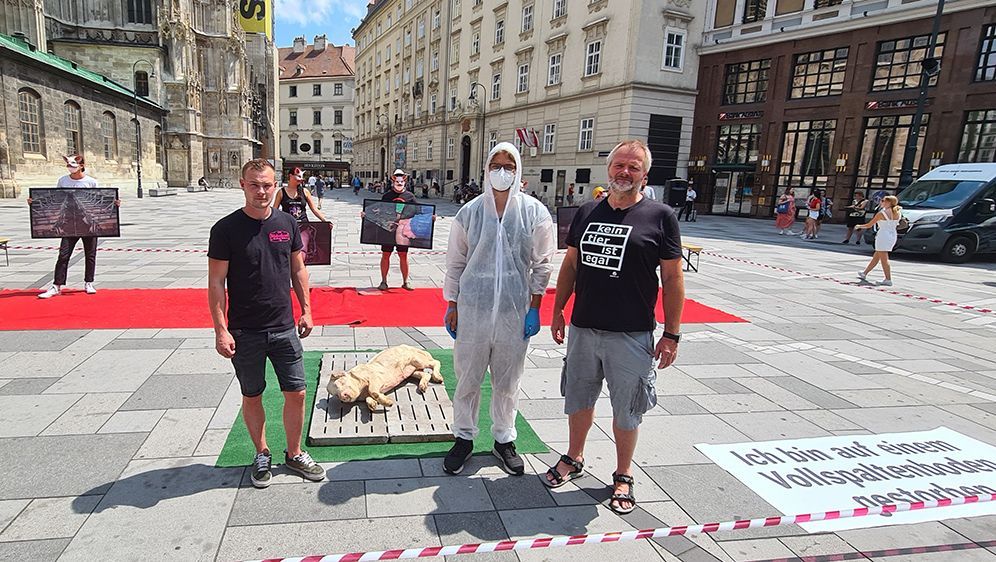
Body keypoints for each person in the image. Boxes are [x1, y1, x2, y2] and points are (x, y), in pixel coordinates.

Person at [546, 140, 685, 515]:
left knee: (627, 408)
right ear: (609, 169)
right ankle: (574, 457)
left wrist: (672, 333)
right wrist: (558, 309)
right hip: (584, 329)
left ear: (644, 174)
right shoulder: (588, 210)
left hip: (631, 333)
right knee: (579, 398)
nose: (625, 172)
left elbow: (672, 279)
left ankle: (623, 474)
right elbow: (571, 265)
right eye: (619, 165)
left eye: (634, 167)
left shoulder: (660, 216)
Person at [207, 159, 326, 488]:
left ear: (276, 186)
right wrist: (220, 329)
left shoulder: (287, 223)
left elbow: (298, 269)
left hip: (285, 326)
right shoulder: (225, 229)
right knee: (253, 395)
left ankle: (294, 452)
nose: (261, 191)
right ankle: (261, 452)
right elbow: (216, 283)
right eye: (254, 184)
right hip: (245, 329)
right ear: (242, 185)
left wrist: (307, 309)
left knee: (297, 392)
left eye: (267, 185)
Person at [442, 142, 555, 475]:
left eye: (508, 165)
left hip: (513, 311)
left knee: (508, 380)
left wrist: (535, 306)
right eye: (496, 164)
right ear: (486, 168)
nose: (502, 172)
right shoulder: (470, 212)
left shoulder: (535, 213)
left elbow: (543, 263)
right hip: (473, 309)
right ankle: (463, 438)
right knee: (468, 378)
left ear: (518, 170)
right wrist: (452, 303)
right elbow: (455, 262)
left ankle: (504, 439)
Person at [34, 154, 120, 299]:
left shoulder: (91, 182)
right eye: (68, 166)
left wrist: (114, 204)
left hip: (87, 221)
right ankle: (56, 285)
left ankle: (88, 282)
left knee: (90, 254)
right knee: (63, 254)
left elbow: (99, 198)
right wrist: (34, 201)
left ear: (81, 166)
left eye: (73, 166)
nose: (70, 168)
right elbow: (56, 196)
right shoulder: (63, 180)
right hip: (68, 222)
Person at [375, 169, 418, 290]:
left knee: (403, 255)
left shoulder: (410, 196)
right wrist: (366, 214)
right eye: (397, 179)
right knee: (386, 254)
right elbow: (380, 211)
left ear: (404, 181)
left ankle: (405, 282)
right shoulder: (387, 196)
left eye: (401, 180)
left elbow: (417, 211)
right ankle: (383, 281)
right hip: (388, 230)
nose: (399, 183)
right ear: (393, 180)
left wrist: (430, 217)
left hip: (403, 231)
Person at [856, 195, 901, 286]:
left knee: (884, 259)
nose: (881, 202)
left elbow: (869, 225)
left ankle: (888, 279)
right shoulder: (897, 212)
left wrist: (859, 226)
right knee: (877, 255)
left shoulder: (882, 213)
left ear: (889, 203)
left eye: (883, 201)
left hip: (883, 235)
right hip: (892, 235)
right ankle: (865, 273)